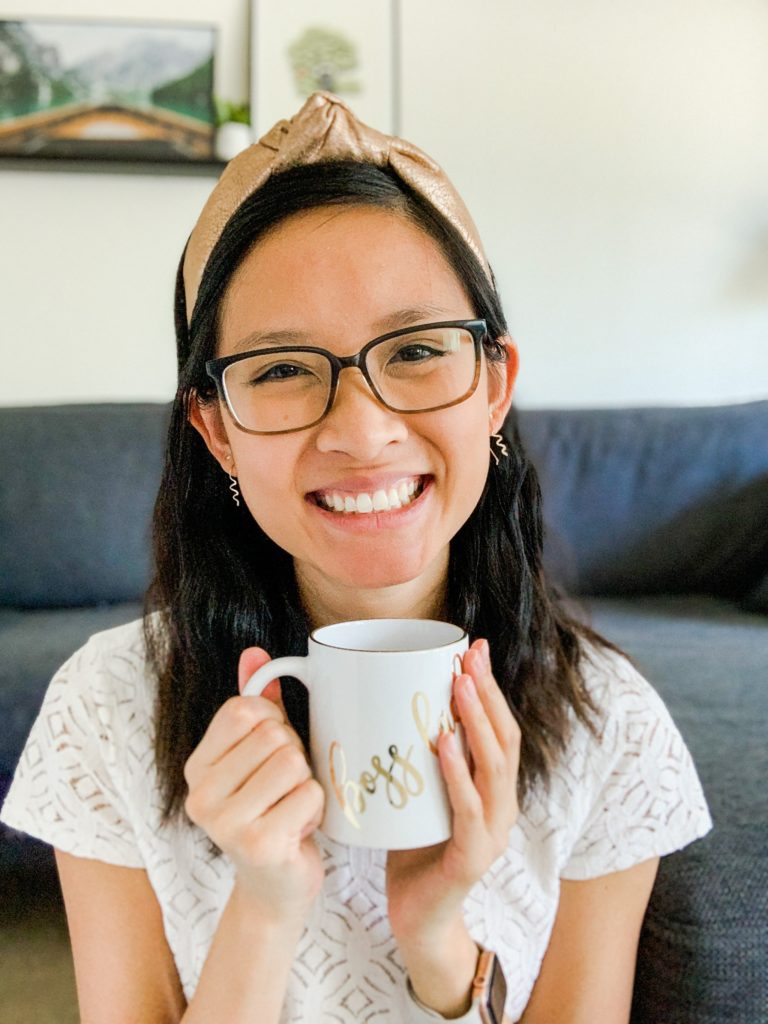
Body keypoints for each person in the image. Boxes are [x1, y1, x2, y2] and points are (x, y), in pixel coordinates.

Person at [1, 92, 711, 1023]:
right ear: (215, 430)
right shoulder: (106, 707)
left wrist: (438, 940)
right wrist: (263, 902)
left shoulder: (609, 728)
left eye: (415, 349)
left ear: (494, 386)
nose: (363, 431)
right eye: (284, 369)